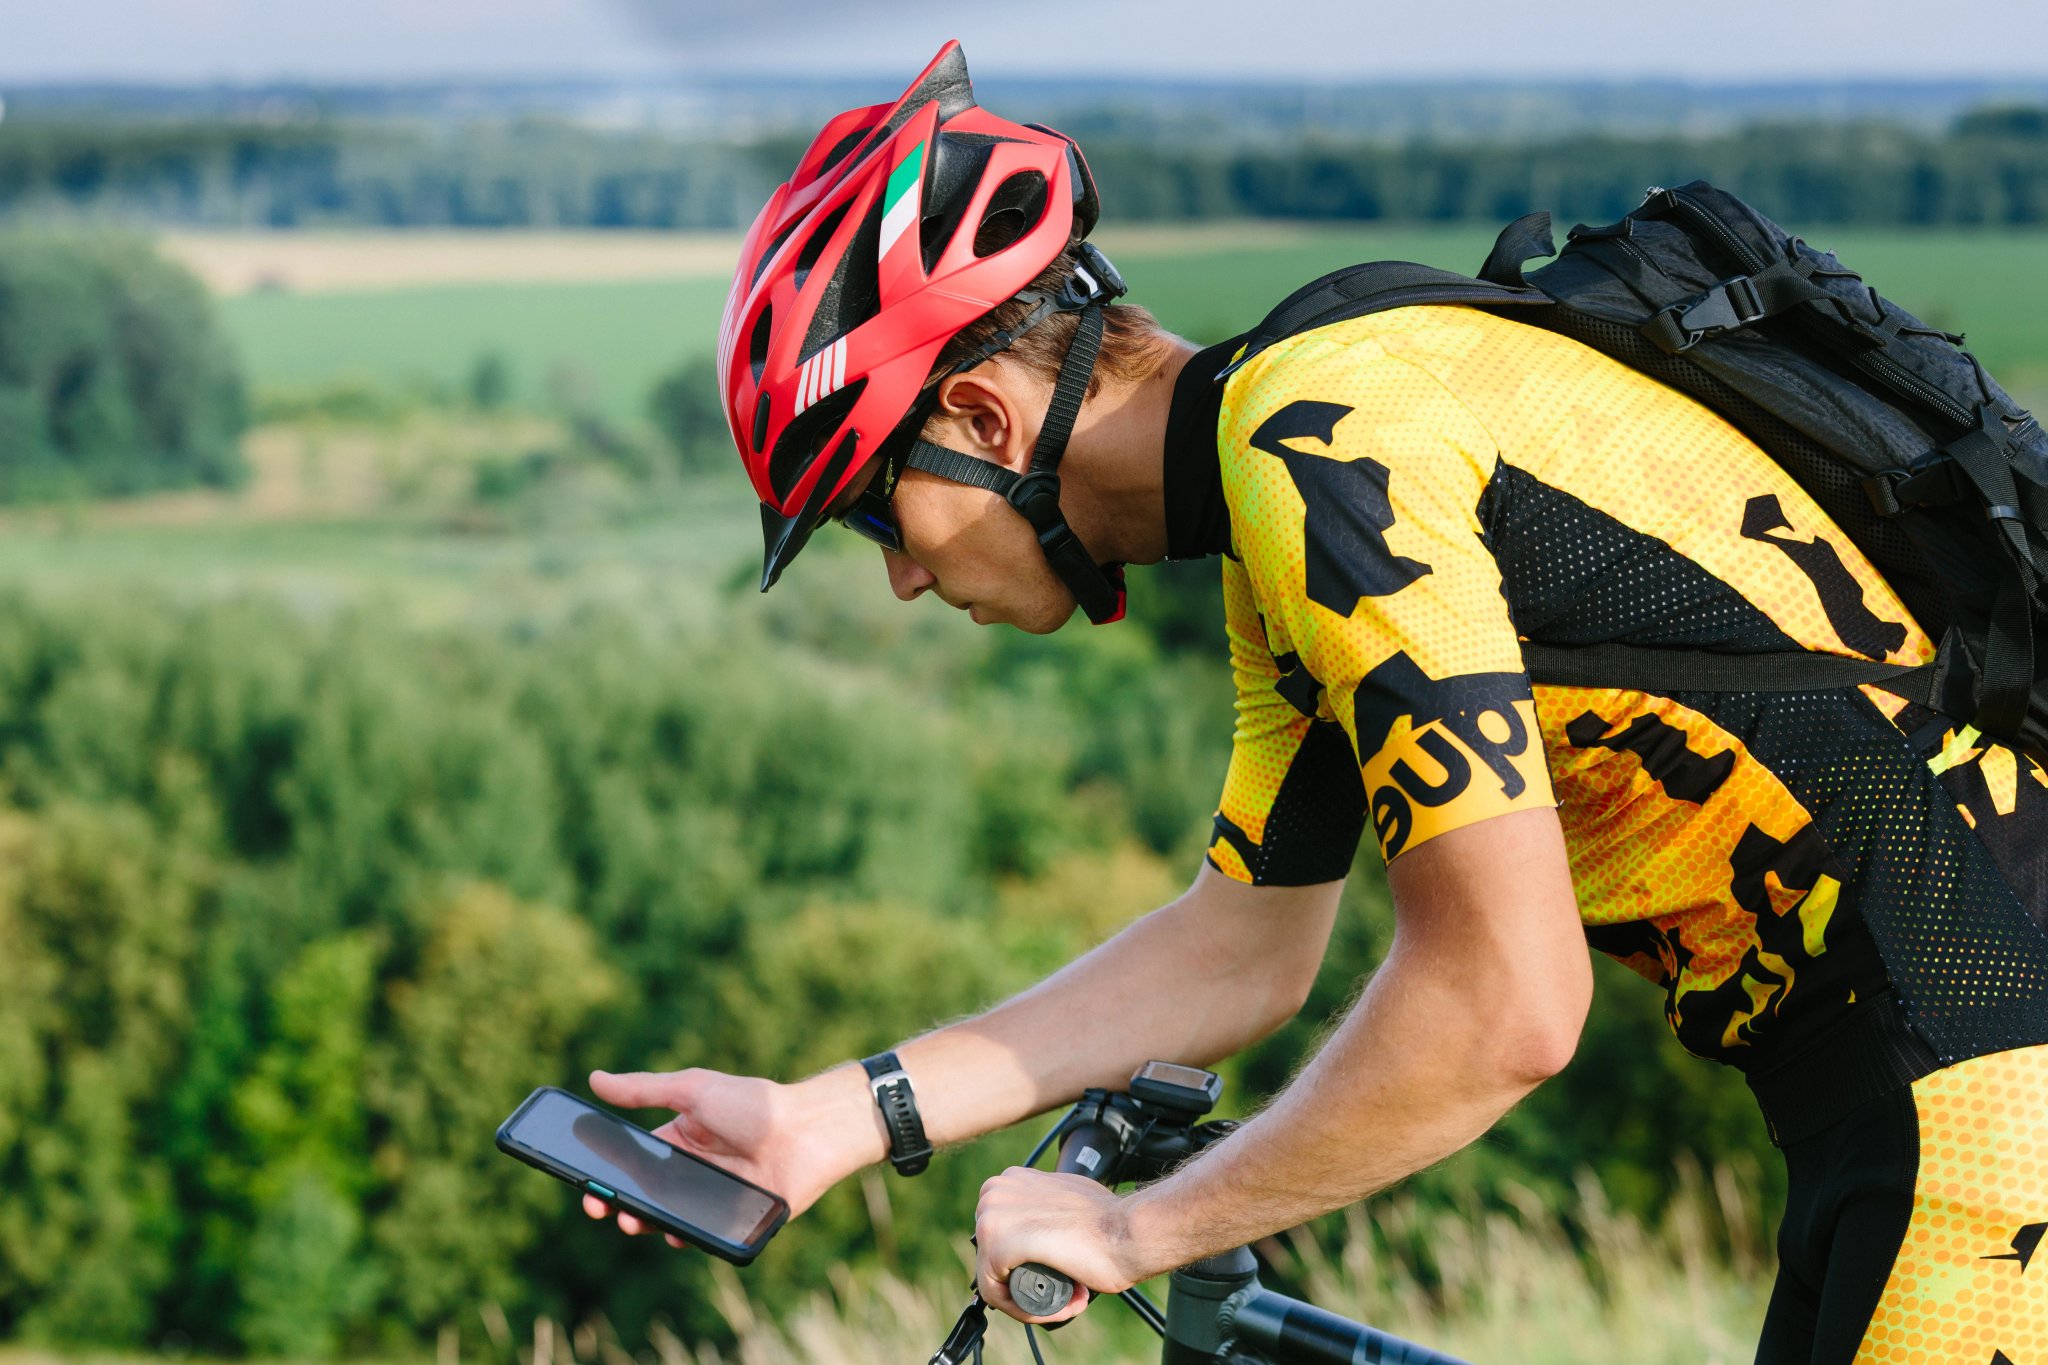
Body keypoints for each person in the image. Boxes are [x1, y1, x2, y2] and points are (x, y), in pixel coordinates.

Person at [586, 41, 2048, 1363]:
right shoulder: (1298, 451)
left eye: (872, 512)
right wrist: (828, 1119)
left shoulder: (1320, 448)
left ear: (980, 416)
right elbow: (1242, 948)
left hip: (1984, 1098)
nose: (904, 578)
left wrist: (1133, 1233)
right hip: (1925, 1091)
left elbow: (1506, 1005)